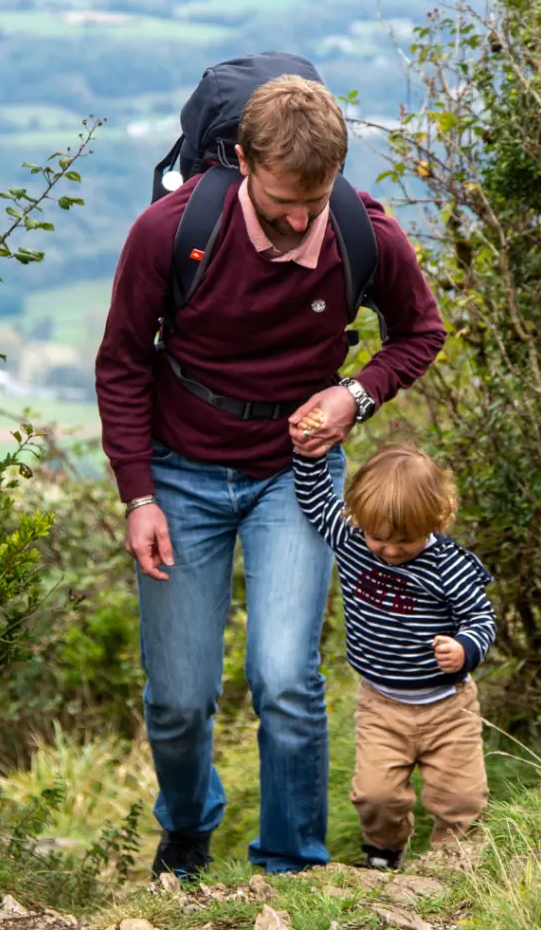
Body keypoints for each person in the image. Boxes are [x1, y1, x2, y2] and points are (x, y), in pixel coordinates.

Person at [95, 71, 446, 877]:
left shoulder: (365, 234)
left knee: (285, 677)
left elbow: (420, 333)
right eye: (284, 200)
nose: (298, 220)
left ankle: (291, 865)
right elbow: (121, 363)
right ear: (242, 162)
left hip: (297, 477)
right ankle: (188, 833)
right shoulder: (171, 232)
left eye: (314, 202)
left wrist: (355, 394)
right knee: (178, 697)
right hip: (178, 472)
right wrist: (138, 493)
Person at [293, 436, 496, 869]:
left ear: (436, 520)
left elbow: (481, 618)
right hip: (381, 705)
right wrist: (309, 451)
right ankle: (384, 854)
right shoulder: (351, 540)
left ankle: (455, 863)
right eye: (378, 538)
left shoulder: (449, 566)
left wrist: (464, 647)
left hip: (448, 707)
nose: (388, 550)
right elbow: (314, 498)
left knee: (461, 797)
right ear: (360, 519)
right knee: (375, 795)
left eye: (404, 541)